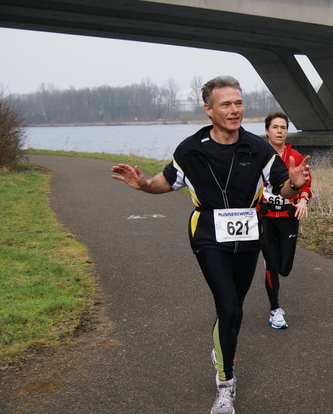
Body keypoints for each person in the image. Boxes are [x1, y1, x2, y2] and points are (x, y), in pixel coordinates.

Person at [111, 75, 310, 414]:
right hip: (207, 233)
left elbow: (283, 188)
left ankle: (223, 345)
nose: (235, 110)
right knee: (228, 308)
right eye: (226, 104)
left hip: (248, 233)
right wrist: (143, 184)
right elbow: (168, 182)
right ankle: (225, 385)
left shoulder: (258, 148)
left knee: (235, 309)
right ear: (208, 109)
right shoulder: (190, 150)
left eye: (239, 103)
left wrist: (294, 184)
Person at [257, 111, 312, 329]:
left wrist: (303, 201)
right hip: (265, 217)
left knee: (285, 267)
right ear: (267, 130)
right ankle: (275, 309)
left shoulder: (295, 157)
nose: (279, 131)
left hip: (288, 217)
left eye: (283, 128)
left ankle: (273, 263)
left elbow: (306, 184)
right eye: (275, 127)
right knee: (271, 264)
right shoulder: (257, 155)